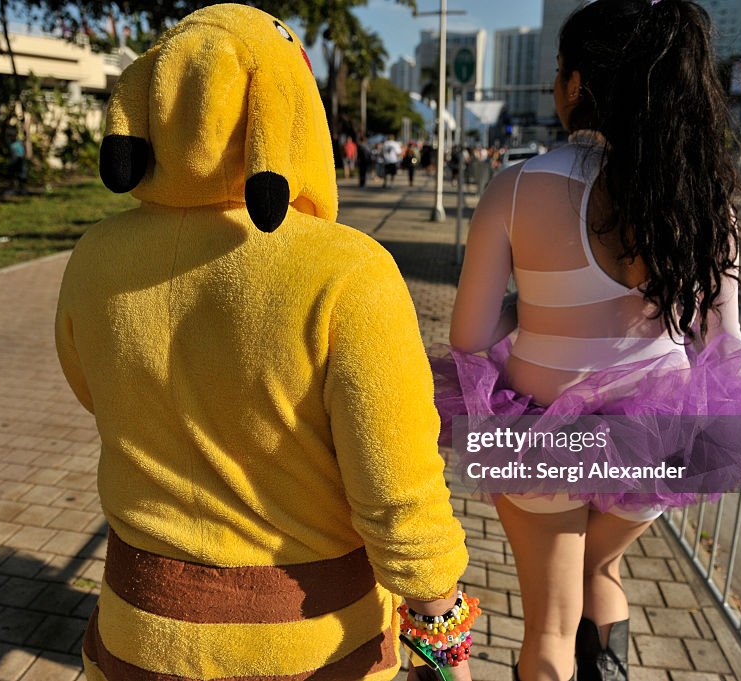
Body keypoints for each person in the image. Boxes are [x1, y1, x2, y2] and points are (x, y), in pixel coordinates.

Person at [56, 6, 477, 680]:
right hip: (307, 644)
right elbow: (397, 483)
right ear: (290, 111)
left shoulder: (93, 257)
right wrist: (440, 619)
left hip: (138, 625)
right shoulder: (348, 270)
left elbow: (92, 388)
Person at [432, 1, 741, 679]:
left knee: (549, 627)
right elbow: (725, 344)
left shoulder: (517, 186)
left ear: (575, 83)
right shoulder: (703, 198)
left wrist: (532, 305)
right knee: (602, 562)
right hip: (657, 437)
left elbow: (470, 334)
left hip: (541, 438)